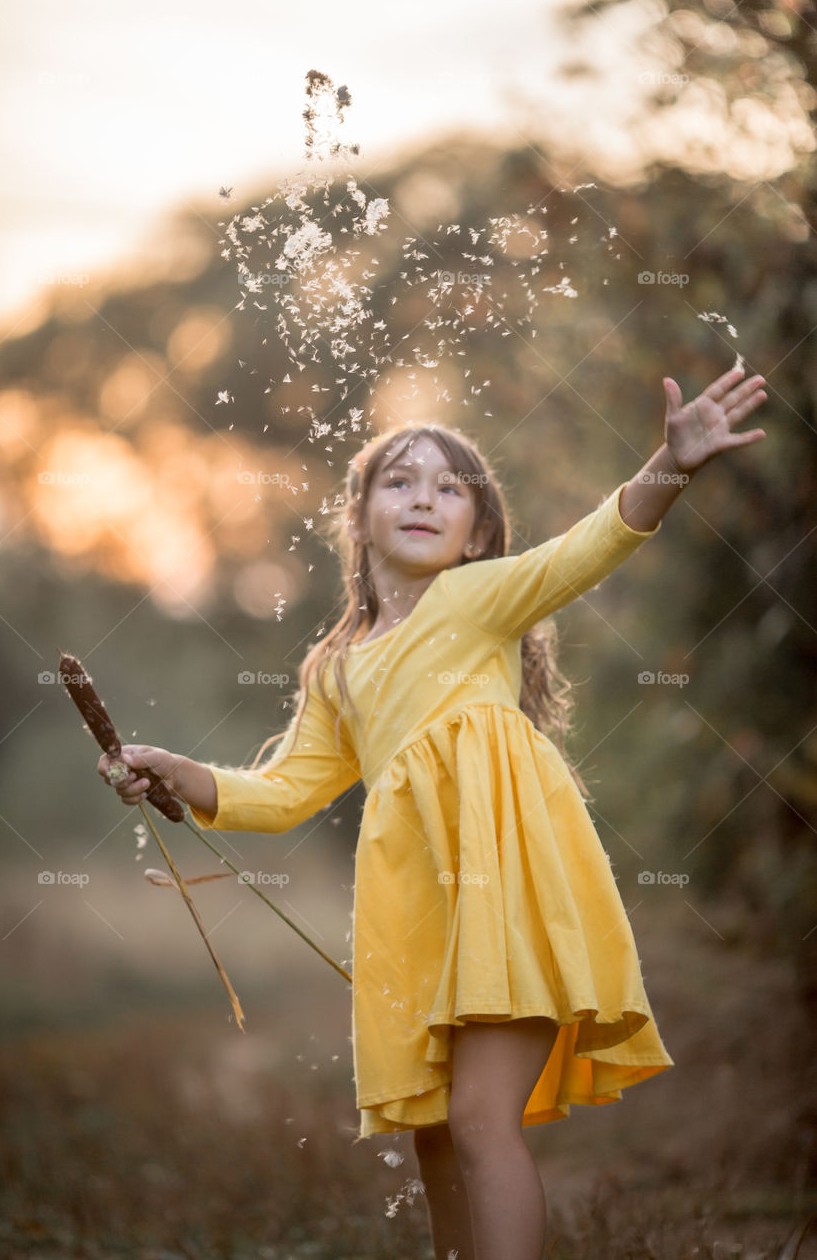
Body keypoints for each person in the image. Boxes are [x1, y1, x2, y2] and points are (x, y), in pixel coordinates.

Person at [98, 366, 767, 1260]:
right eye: (400, 481)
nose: (424, 499)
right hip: (420, 919)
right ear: (359, 513)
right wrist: (179, 771)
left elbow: (583, 551)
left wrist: (670, 465)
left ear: (476, 533)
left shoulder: (475, 600)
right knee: (438, 1132)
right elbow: (284, 791)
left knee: (483, 1121)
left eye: (450, 488)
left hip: (504, 903)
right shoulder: (337, 665)